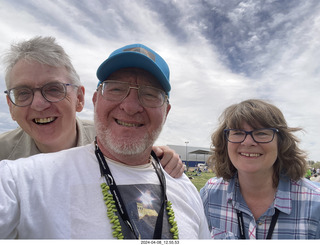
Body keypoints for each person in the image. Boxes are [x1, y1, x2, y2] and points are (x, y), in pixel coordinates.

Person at [0, 43, 210, 239]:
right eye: (116, 89)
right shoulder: (17, 179)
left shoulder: (184, 186)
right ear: (95, 99)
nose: (130, 107)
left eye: (150, 94)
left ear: (166, 112)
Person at [0, 36, 183, 177]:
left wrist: (156, 154)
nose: (39, 104)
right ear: (10, 106)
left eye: (54, 89)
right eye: (23, 93)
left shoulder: (111, 139)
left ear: (79, 98)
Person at [200, 99, 320, 239]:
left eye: (261, 133)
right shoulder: (210, 195)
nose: (248, 142)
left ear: (281, 143)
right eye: (237, 133)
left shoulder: (315, 203)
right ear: (225, 142)